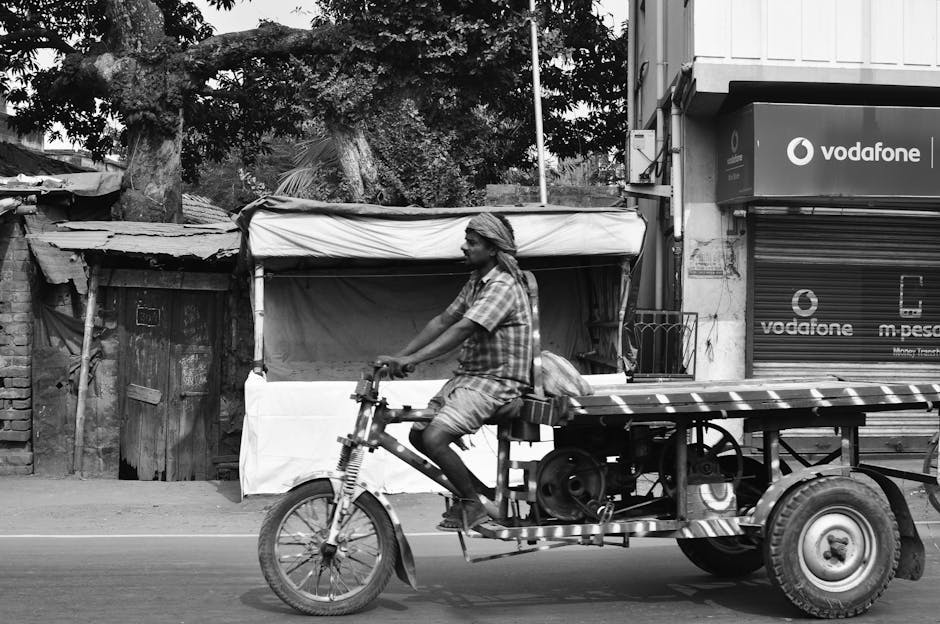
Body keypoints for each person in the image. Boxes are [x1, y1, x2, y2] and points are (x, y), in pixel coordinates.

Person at [375, 212, 532, 531]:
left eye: (471, 243)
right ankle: (482, 496)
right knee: (418, 432)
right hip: (471, 379)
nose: (464, 247)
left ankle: (473, 503)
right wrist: (399, 356)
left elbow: (462, 329)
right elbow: (443, 320)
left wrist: (415, 360)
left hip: (498, 383)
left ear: (491, 249)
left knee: (434, 437)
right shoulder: (477, 282)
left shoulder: (502, 285)